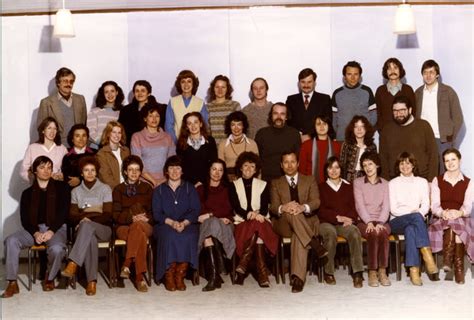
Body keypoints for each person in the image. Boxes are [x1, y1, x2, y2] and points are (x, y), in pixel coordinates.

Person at [2, 156, 69, 298]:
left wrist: (51, 231)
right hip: (35, 230)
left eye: (49, 167)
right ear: (34, 171)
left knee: (56, 249)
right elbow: (25, 219)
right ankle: (12, 282)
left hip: (55, 228)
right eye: (42, 167)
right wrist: (36, 233)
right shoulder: (27, 194)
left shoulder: (62, 188)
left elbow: (64, 213)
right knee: (11, 240)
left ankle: (49, 277)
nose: (46, 171)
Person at [270, 151, 327, 293]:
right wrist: (284, 207)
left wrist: (302, 207)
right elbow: (273, 206)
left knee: (298, 235)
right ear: (281, 165)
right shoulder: (276, 183)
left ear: (298, 163)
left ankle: (297, 279)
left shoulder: (309, 180)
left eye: (292, 162)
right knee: (291, 211)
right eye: (286, 162)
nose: (289, 165)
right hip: (284, 224)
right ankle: (314, 243)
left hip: (305, 224)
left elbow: (316, 201)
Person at [61, 156, 113, 296]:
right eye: (86, 170)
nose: (90, 173)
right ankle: (92, 282)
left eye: (93, 170)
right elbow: (71, 216)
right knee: (89, 237)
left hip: (103, 229)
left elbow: (107, 214)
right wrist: (92, 214)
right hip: (84, 231)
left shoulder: (105, 189)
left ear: (96, 172)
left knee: (86, 226)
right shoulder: (76, 192)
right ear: (81, 173)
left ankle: (73, 263)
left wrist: (86, 217)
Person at [229, 152, 279, 287]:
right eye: (245, 166)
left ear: (256, 170)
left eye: (252, 166)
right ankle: (262, 273)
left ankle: (243, 264)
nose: (248, 169)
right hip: (242, 222)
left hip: (261, 220)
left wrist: (258, 214)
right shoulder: (234, 185)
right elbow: (236, 207)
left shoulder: (263, 184)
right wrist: (249, 214)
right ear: (240, 168)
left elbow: (264, 208)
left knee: (258, 226)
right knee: (258, 234)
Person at [388, 152, 438, 286]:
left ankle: (414, 271)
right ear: (398, 166)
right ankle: (428, 257)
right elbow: (394, 209)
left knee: (411, 230)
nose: (405, 166)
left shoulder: (421, 182)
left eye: (408, 163)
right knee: (416, 218)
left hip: (415, 221)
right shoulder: (392, 183)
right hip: (396, 221)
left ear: (413, 165)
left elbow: (426, 205)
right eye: (401, 163)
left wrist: (417, 214)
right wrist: (413, 213)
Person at [152, 155, 200, 291]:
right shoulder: (159, 190)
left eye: (177, 168)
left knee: (189, 236)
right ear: (166, 171)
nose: (174, 171)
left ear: (182, 171)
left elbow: (195, 210)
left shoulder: (190, 188)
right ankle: (169, 275)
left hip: (187, 224)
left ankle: (180, 275)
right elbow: (157, 214)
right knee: (169, 236)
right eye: (171, 168)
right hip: (165, 224)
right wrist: (172, 223)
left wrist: (184, 223)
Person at [428, 148, 473, 284]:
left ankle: (448, 259)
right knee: (453, 223)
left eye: (453, 159)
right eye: (447, 160)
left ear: (459, 160)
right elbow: (435, 205)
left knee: (456, 222)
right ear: (444, 163)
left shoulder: (469, 182)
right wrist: (443, 213)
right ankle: (459, 270)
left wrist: (459, 212)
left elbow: (467, 207)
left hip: (462, 217)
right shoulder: (437, 180)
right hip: (441, 218)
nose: (450, 163)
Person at [318, 156, 364, 288]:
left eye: (337, 167)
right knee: (330, 234)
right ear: (326, 170)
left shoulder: (348, 186)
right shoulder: (321, 187)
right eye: (330, 167)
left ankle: (358, 273)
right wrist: (337, 217)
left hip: (344, 223)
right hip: (326, 222)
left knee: (355, 232)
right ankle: (329, 272)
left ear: (341, 169)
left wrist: (349, 219)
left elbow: (354, 207)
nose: (333, 170)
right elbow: (320, 210)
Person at [414, 60, 464, 173]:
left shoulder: (448, 91)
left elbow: (458, 117)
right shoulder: (417, 93)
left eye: (431, 72)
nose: (428, 75)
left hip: (442, 140)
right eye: (425, 72)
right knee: (425, 171)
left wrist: (450, 137)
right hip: (423, 140)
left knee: (444, 172)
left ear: (437, 74)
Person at [112, 155, 153, 292]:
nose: (134, 173)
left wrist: (146, 218)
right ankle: (139, 278)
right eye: (130, 170)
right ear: (125, 172)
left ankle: (127, 263)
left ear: (141, 172)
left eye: (137, 170)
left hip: (145, 224)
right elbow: (116, 215)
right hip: (124, 226)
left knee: (138, 227)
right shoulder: (118, 189)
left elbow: (154, 212)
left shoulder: (147, 188)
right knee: (138, 232)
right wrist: (132, 218)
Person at [196, 159, 235, 292]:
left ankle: (214, 277)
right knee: (209, 231)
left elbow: (228, 210)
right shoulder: (200, 189)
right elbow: (198, 211)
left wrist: (210, 214)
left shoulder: (228, 188)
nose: (217, 173)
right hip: (208, 225)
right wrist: (213, 217)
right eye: (214, 169)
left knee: (210, 225)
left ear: (224, 172)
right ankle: (215, 274)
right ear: (209, 170)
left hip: (225, 224)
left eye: (220, 170)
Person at [353, 152, 391, 287]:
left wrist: (380, 222)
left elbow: (386, 206)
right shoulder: (358, 183)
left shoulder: (386, 184)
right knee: (372, 233)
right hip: (364, 221)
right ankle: (372, 271)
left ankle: (382, 271)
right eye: (364, 165)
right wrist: (368, 222)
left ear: (377, 165)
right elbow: (359, 206)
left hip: (382, 220)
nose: (368, 167)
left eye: (370, 164)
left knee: (382, 232)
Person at [380, 95, 438, 181]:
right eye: (395, 111)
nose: (398, 114)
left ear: (410, 110)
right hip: (395, 180)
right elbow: (383, 158)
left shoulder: (424, 126)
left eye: (402, 110)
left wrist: (431, 181)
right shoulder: (387, 129)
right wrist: (386, 181)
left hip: (422, 178)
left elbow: (433, 155)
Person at [37, 67, 87, 145]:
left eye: (71, 81)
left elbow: (84, 124)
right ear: (58, 83)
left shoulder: (80, 99)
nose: (68, 84)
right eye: (65, 81)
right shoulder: (46, 103)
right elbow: (41, 129)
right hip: (57, 146)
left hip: (77, 147)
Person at [131, 104, 175, 187]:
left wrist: (163, 181)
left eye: (157, 116)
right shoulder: (137, 137)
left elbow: (172, 162)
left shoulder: (167, 137)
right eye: (150, 116)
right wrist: (153, 181)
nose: (154, 119)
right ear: (145, 118)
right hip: (144, 182)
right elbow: (137, 163)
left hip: (165, 182)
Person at [255, 103, 301, 182]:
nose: (279, 117)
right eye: (275, 113)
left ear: (286, 117)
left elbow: (297, 159)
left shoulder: (294, 134)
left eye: (282, 114)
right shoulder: (261, 133)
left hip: (288, 179)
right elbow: (256, 159)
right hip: (265, 180)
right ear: (271, 116)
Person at [332, 61, 376, 141]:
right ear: (344, 76)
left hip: (363, 140)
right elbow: (333, 118)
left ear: (359, 76)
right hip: (342, 139)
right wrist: (339, 132)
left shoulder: (367, 91)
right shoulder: (337, 93)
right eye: (349, 74)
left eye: (356, 74)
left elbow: (374, 116)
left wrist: (365, 132)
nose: (353, 77)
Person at [286, 68, 332, 143]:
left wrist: (310, 136)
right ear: (299, 83)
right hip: (296, 141)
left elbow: (328, 123)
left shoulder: (325, 99)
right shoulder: (291, 100)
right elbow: (288, 123)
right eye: (303, 82)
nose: (306, 85)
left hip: (317, 141)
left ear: (314, 83)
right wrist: (298, 136)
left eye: (309, 82)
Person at [118, 80, 167, 146]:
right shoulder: (126, 110)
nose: (140, 93)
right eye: (137, 91)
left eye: (143, 91)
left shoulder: (161, 109)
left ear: (149, 93)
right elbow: (122, 130)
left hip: (154, 145)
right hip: (132, 146)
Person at [165, 70, 209, 143]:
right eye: (183, 81)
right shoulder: (173, 101)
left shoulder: (200, 102)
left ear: (193, 84)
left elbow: (204, 125)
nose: (186, 85)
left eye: (189, 81)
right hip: (177, 143)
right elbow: (169, 126)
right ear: (179, 84)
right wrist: (177, 143)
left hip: (196, 143)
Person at [375, 58, 416, 132]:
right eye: (389, 68)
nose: (392, 71)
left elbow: (413, 112)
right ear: (386, 72)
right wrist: (382, 130)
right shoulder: (380, 90)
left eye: (395, 68)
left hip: (406, 132)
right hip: (386, 134)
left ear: (400, 70)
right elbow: (378, 113)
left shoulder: (408, 89)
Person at [176, 112, 217, 186]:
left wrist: (202, 181)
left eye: (196, 122)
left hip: (207, 182)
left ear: (201, 124)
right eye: (189, 123)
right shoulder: (181, 143)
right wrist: (194, 182)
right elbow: (181, 167)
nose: (193, 126)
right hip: (188, 183)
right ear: (186, 127)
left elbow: (213, 163)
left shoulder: (210, 141)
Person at [21, 117, 67, 182]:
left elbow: (67, 170)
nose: (52, 131)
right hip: (38, 186)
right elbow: (24, 171)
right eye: (49, 128)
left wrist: (61, 176)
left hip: (57, 185)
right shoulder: (32, 148)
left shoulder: (62, 149)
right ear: (43, 130)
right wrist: (37, 179)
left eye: (55, 129)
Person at [299, 115, 341, 183]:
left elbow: (339, 168)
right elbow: (301, 169)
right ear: (314, 127)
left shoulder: (336, 146)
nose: (321, 127)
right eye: (318, 124)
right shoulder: (306, 145)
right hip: (310, 185)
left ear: (329, 126)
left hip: (331, 185)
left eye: (324, 124)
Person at [218, 111, 259, 181]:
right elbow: (220, 168)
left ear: (243, 126)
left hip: (248, 179)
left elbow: (257, 167)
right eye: (233, 125)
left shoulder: (252, 144)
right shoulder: (222, 144)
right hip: (228, 180)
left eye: (239, 124)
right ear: (229, 127)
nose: (236, 128)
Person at [87, 81, 125, 148]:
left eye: (112, 91)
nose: (110, 94)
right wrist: (104, 143)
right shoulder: (95, 111)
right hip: (97, 148)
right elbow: (90, 131)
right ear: (103, 94)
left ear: (117, 92)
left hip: (116, 148)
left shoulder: (122, 112)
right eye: (106, 92)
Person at [340, 115, 377, 183]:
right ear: (352, 129)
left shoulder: (372, 146)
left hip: (366, 181)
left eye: (362, 126)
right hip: (348, 181)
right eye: (356, 126)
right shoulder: (346, 144)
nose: (359, 129)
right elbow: (342, 165)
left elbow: (374, 167)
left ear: (366, 129)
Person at [206, 75, 241, 144]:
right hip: (213, 148)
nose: (220, 90)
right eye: (217, 87)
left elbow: (239, 128)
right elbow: (206, 131)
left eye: (223, 87)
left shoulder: (234, 106)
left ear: (227, 89)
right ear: (213, 89)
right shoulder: (207, 107)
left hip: (231, 147)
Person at [96, 121, 131, 190]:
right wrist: (121, 189)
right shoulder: (101, 154)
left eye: (119, 132)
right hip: (112, 191)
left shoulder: (126, 151)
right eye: (114, 132)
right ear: (108, 134)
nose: (117, 135)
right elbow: (105, 178)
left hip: (128, 188)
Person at [61, 124, 96, 189]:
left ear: (87, 138)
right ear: (72, 139)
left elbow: (98, 175)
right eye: (77, 136)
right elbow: (66, 177)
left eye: (84, 135)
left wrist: (80, 180)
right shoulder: (67, 157)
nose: (81, 139)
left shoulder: (95, 154)